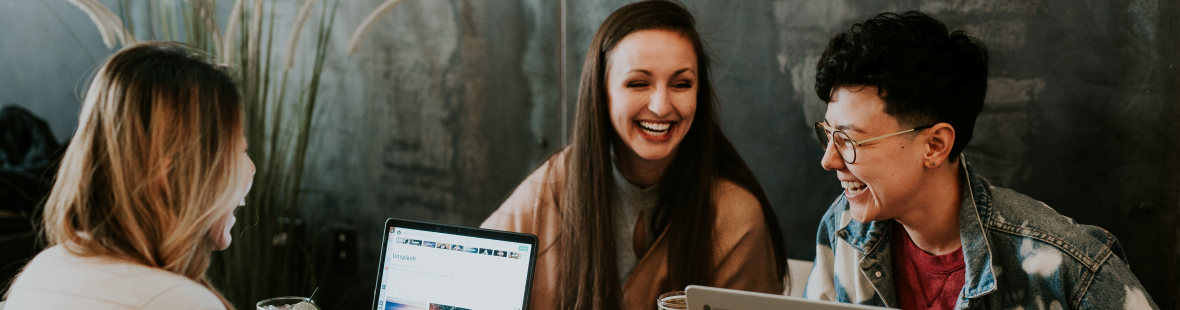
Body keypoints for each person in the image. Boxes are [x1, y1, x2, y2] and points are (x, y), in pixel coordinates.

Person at [802, 11, 1158, 310]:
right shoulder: (842, 228)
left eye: (849, 140)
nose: (829, 160)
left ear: (936, 146)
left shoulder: (1067, 265)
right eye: (828, 134)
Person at [481, 1, 786, 309]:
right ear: (601, 93)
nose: (661, 106)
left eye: (681, 84)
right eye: (638, 83)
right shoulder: (556, 181)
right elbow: (469, 275)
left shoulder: (736, 216)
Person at [4, 42, 254, 309]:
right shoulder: (176, 302)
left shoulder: (40, 272)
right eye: (238, 152)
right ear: (170, 175)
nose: (250, 168)